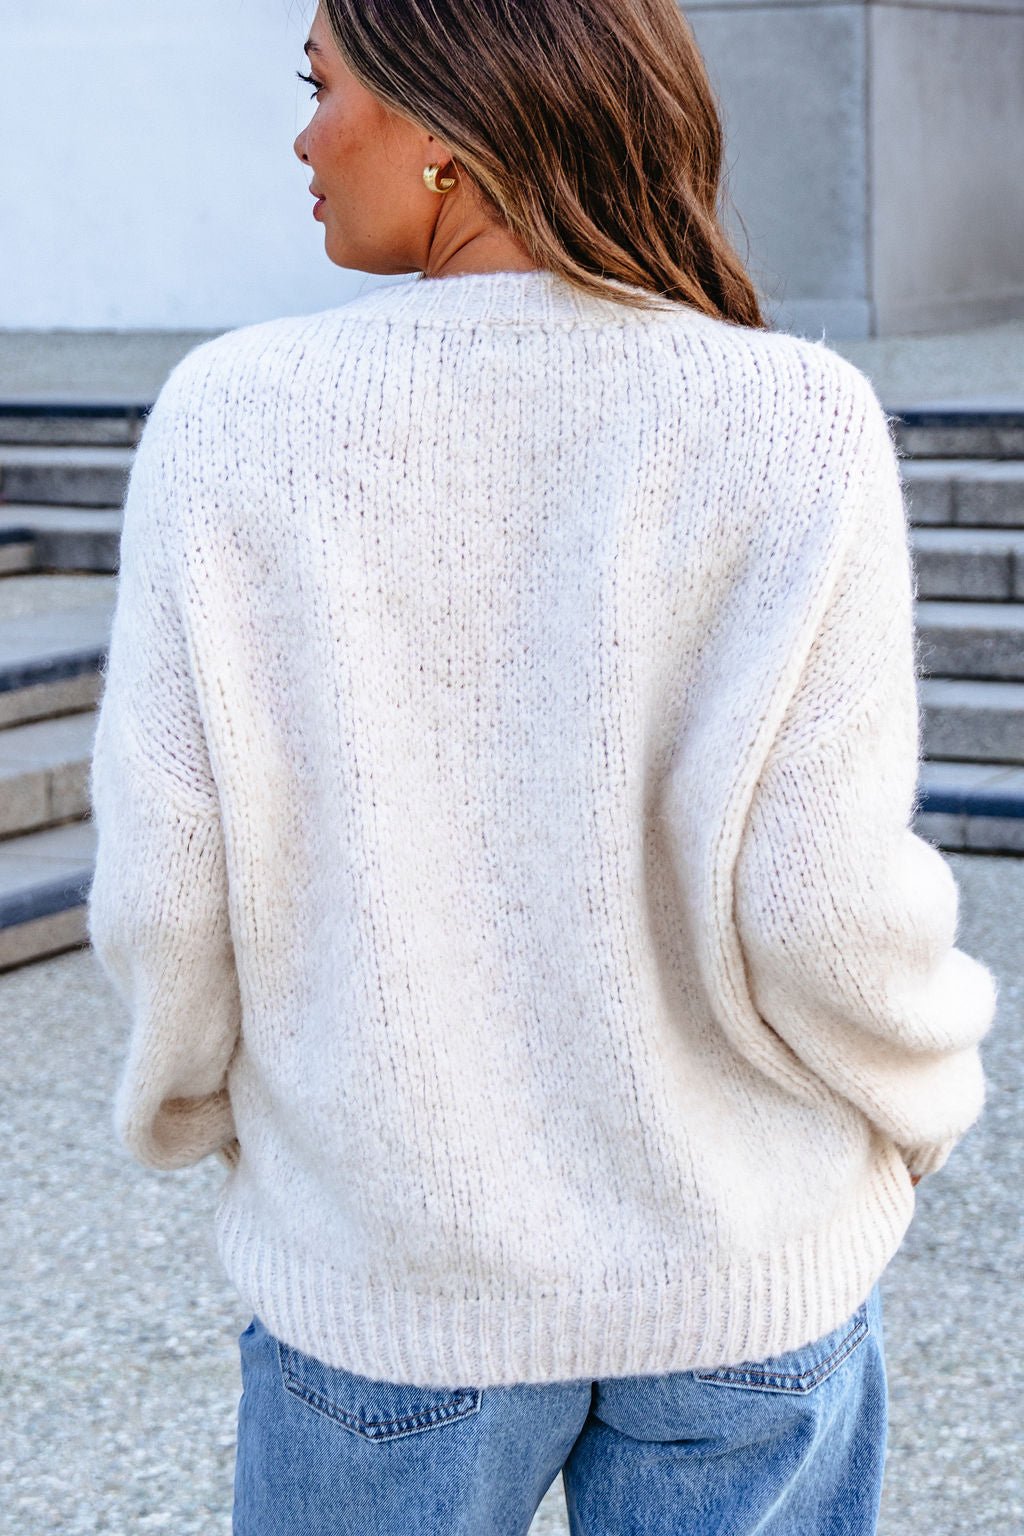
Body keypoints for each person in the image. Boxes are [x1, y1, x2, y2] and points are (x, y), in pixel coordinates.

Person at [85, 1, 999, 1532]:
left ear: (448, 125)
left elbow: (169, 896)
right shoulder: (795, 420)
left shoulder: (230, 422)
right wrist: (923, 1102)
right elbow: (827, 900)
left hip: (387, 1278)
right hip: (740, 1269)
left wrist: (208, 1119)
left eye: (322, 90)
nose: (302, 141)